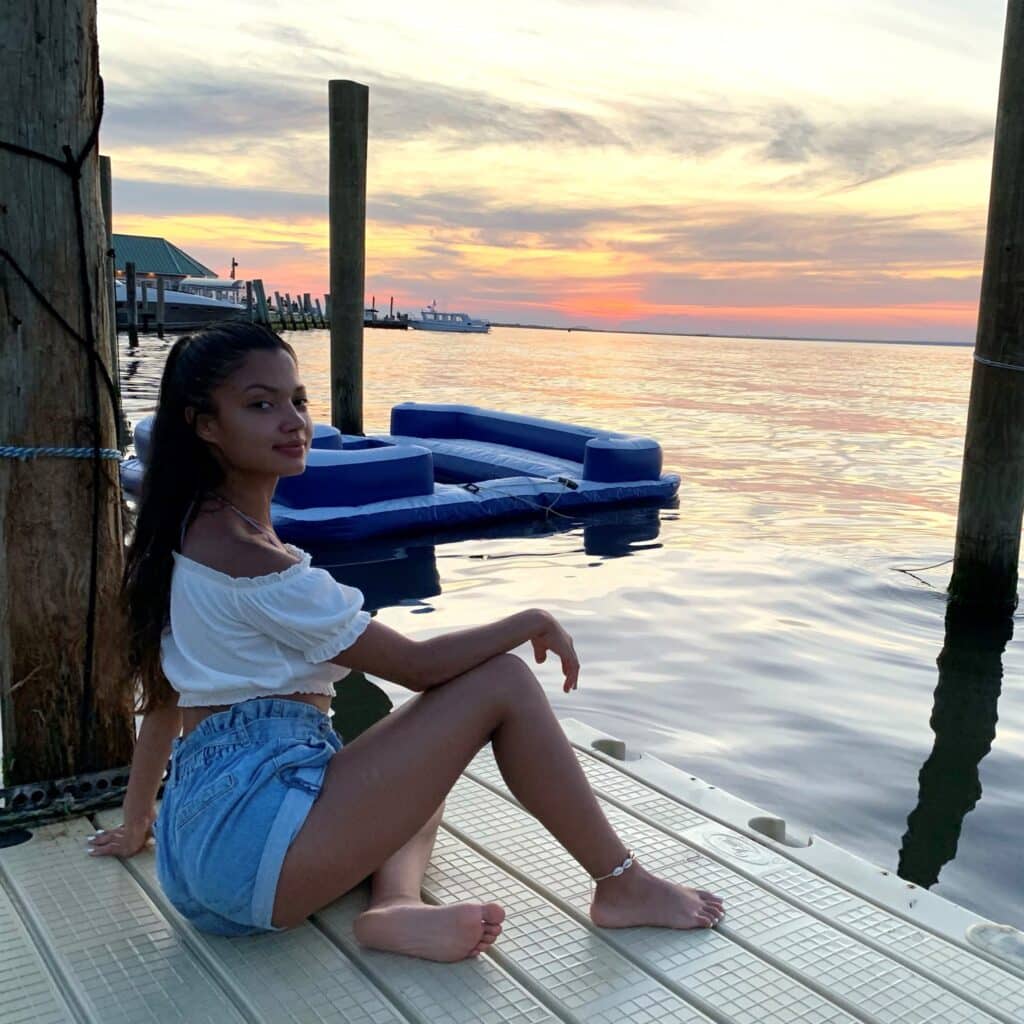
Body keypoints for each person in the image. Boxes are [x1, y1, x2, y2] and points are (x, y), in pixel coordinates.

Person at [87, 322, 724, 961]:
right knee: (499, 680)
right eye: (261, 404)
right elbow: (418, 668)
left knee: (422, 768)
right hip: (255, 853)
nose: (292, 421)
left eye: (298, 400)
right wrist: (528, 619)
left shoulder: (183, 535)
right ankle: (622, 884)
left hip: (197, 851)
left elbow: (168, 698)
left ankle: (395, 904)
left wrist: (139, 821)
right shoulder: (250, 557)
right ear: (204, 425)